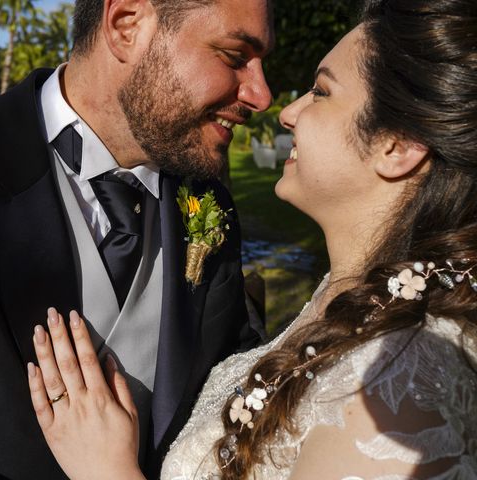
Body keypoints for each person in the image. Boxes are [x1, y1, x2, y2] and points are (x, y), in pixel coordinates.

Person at [26, 0, 477, 478]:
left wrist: (107, 470)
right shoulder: (348, 296)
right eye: (233, 55)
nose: (280, 109)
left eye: (321, 92)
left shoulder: (403, 382)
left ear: (398, 145)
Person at [0, 0, 273, 478]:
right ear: (127, 26)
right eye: (234, 57)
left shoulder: (209, 205)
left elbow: (226, 398)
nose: (262, 95)